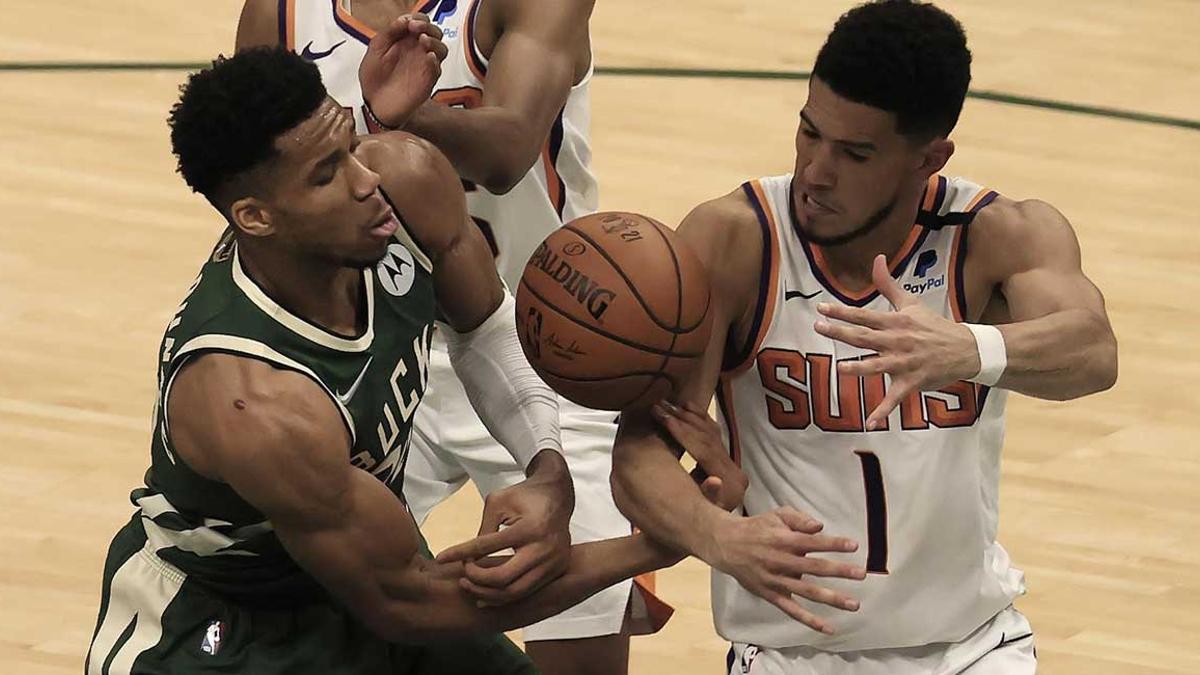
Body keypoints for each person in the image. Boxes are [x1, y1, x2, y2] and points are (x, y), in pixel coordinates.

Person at [85, 36, 684, 675]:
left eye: (347, 146)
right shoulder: (252, 400)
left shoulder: (404, 179)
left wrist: (546, 466)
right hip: (222, 630)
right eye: (327, 174)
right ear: (256, 218)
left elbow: (483, 326)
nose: (366, 179)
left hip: (355, 569)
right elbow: (414, 604)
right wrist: (652, 544)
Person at [611, 1, 1119, 673]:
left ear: (928, 158)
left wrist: (971, 350)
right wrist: (722, 536)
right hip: (791, 653)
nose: (817, 171)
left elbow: (1093, 350)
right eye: (809, 133)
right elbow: (638, 453)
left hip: (970, 650)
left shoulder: (993, 236)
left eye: (854, 153)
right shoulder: (734, 241)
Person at [234, 3, 664, 674]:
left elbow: (509, 148)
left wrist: (408, 113)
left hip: (543, 335)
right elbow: (247, 181)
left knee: (580, 647)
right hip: (372, 342)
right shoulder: (280, 13)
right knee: (302, 601)